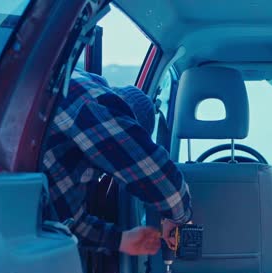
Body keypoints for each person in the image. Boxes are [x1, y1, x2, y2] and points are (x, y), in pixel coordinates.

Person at [42, 70, 191, 255]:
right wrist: (179, 217)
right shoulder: (90, 102)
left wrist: (121, 240)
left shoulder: (72, 145)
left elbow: (67, 224)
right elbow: (162, 181)